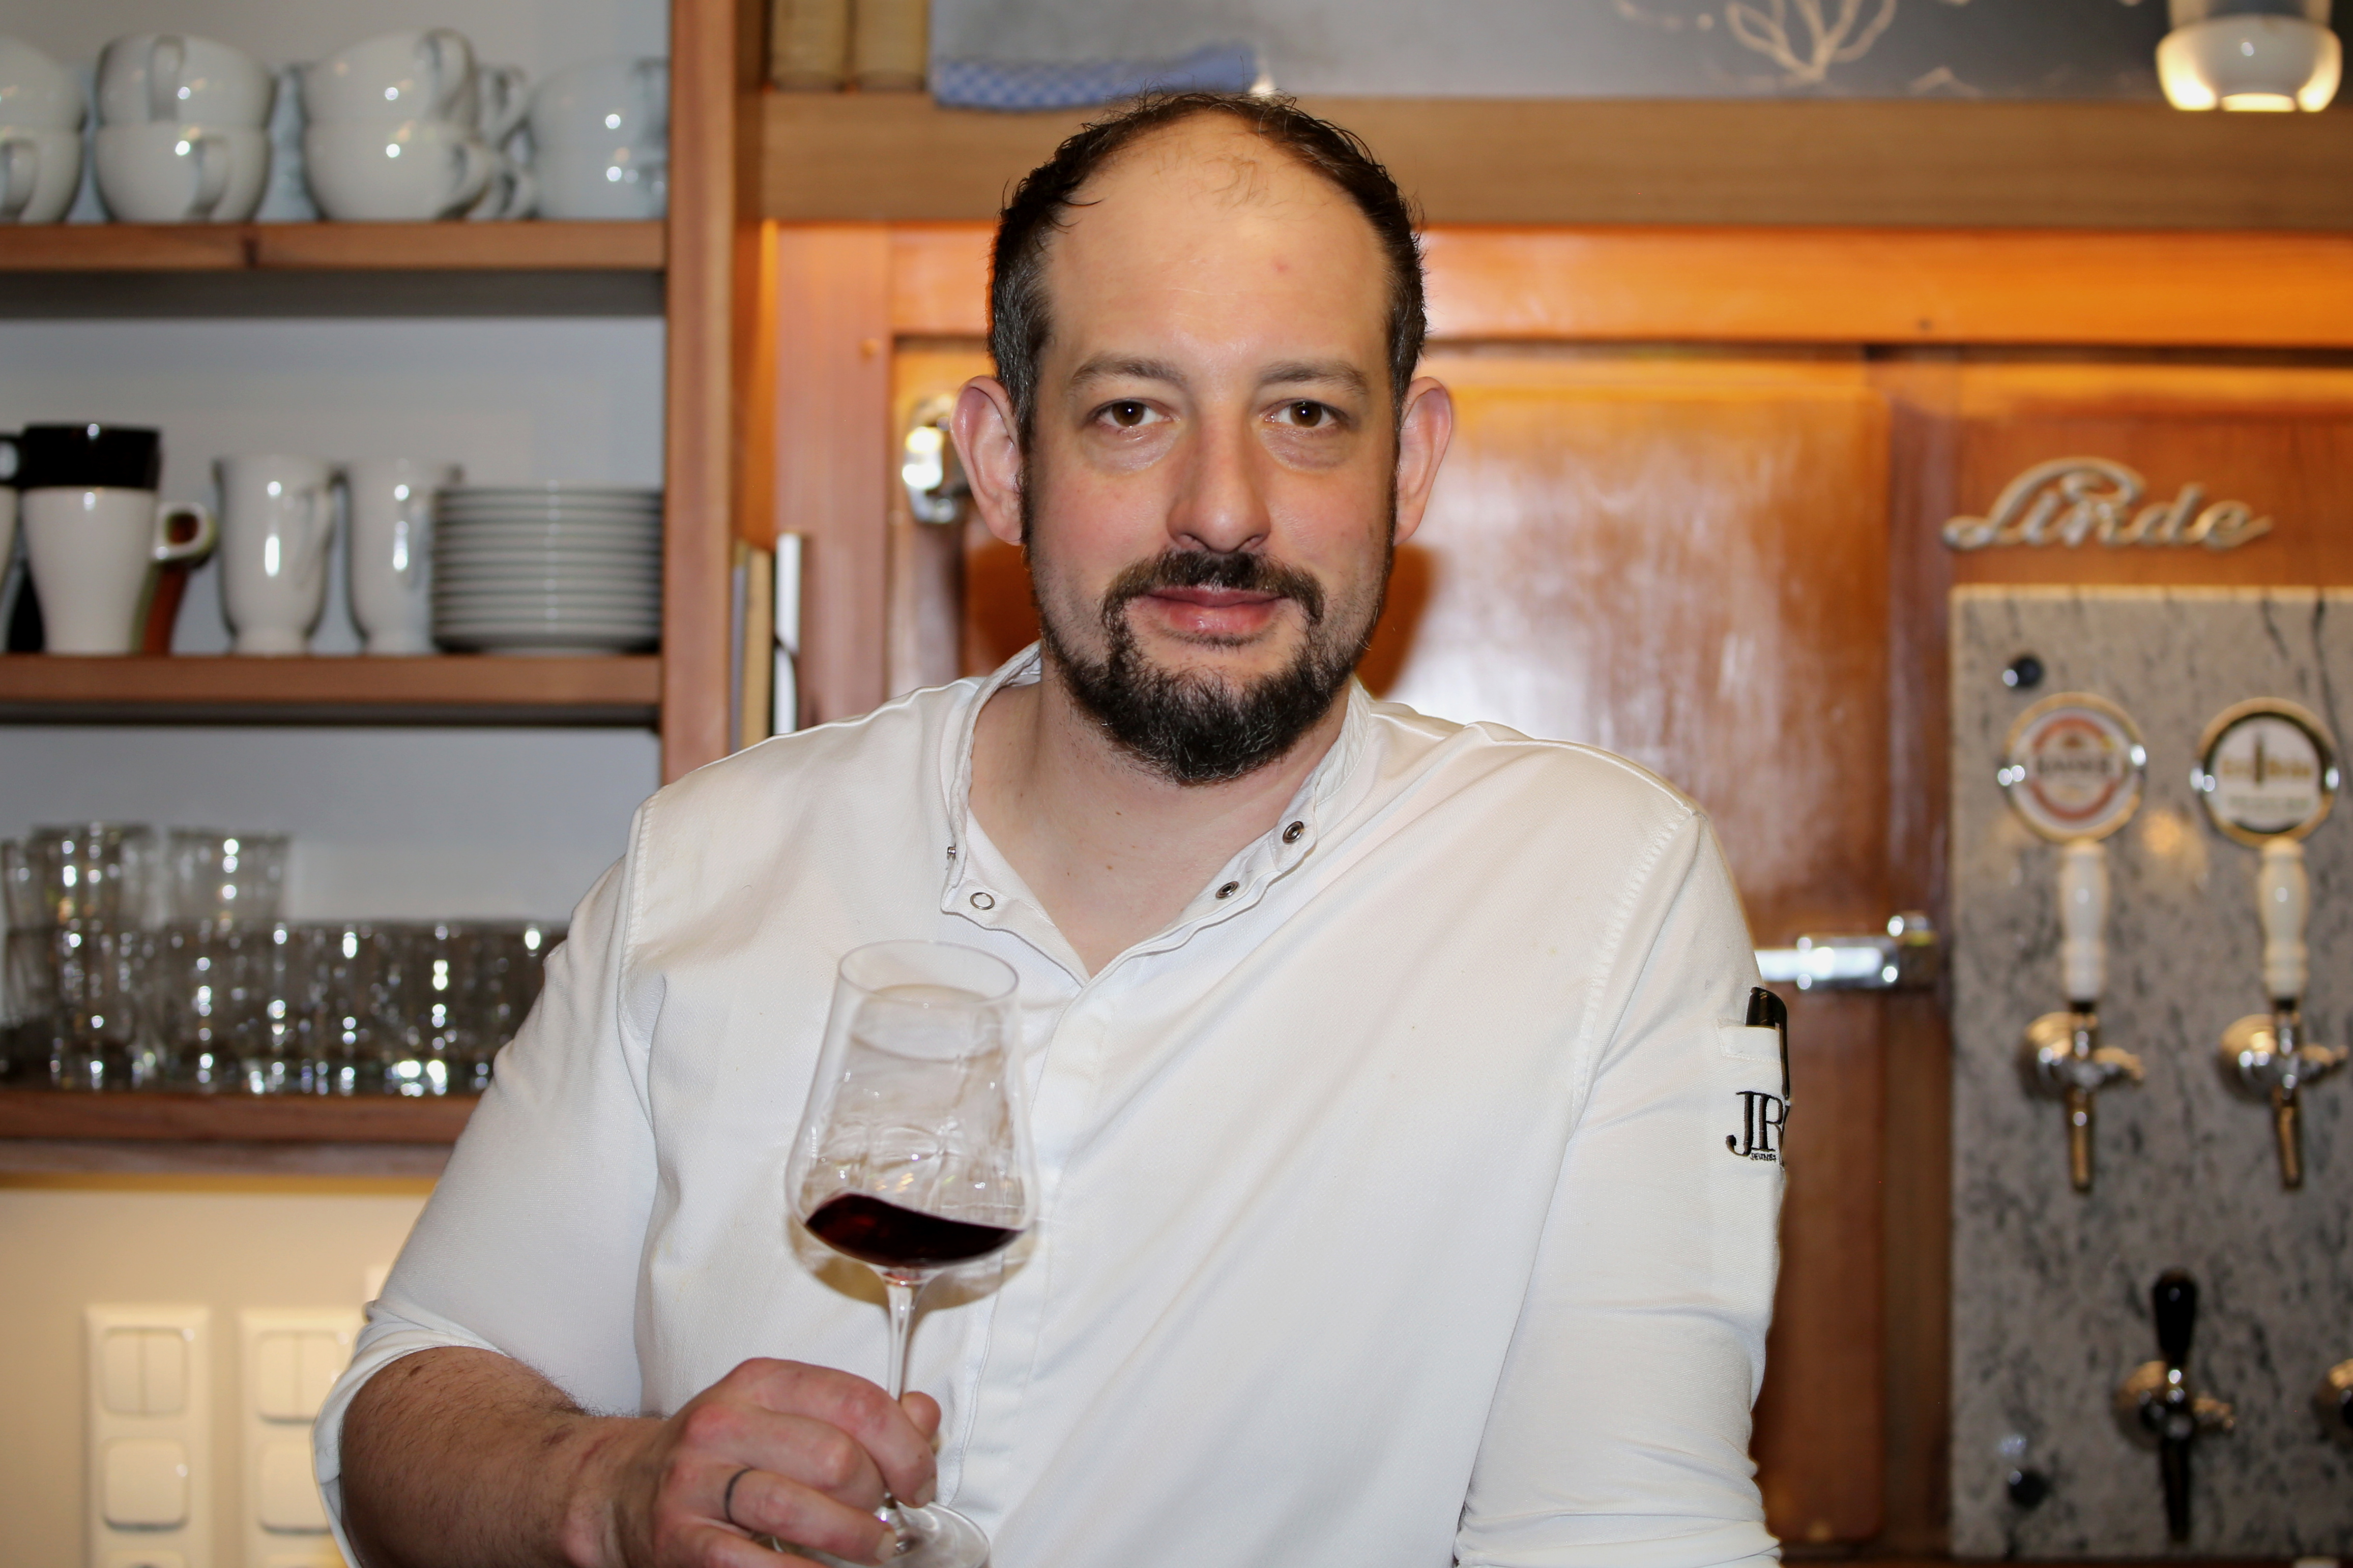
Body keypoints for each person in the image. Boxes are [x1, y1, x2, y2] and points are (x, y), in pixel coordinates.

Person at [322, 92, 1786, 1568]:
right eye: (1132, 411)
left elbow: (1627, 1529)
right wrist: (609, 1490)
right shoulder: (715, 861)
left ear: (1406, 462)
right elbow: (404, 1409)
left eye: (1305, 414)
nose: (1224, 512)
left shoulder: (1598, 892)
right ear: (1004, 458)